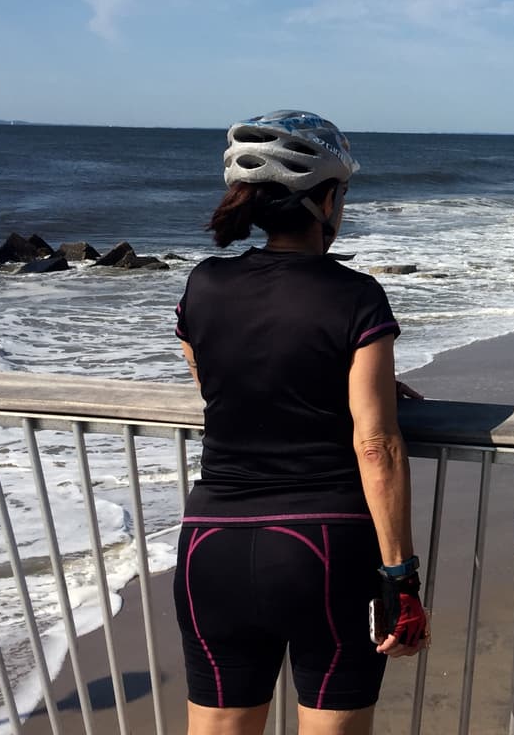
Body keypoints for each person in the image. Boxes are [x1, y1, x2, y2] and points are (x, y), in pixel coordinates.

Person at [173, 110, 428, 735]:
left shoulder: (203, 285)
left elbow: (218, 380)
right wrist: (402, 577)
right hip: (322, 549)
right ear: (326, 201)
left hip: (211, 546)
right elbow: (377, 445)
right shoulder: (356, 296)